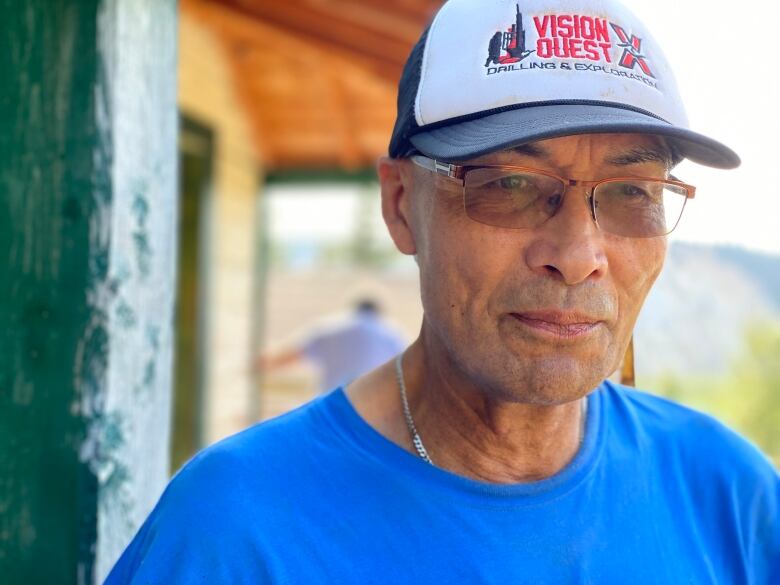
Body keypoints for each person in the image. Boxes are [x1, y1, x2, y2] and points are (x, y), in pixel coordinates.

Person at [106, 0, 780, 583]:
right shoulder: (235, 530)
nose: (577, 258)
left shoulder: (730, 497)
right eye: (508, 184)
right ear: (402, 205)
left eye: (633, 193)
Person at [255, 298, 406, 393]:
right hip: (375, 409)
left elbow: (289, 356)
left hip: (333, 404)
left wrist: (257, 366)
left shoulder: (331, 328)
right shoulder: (391, 333)